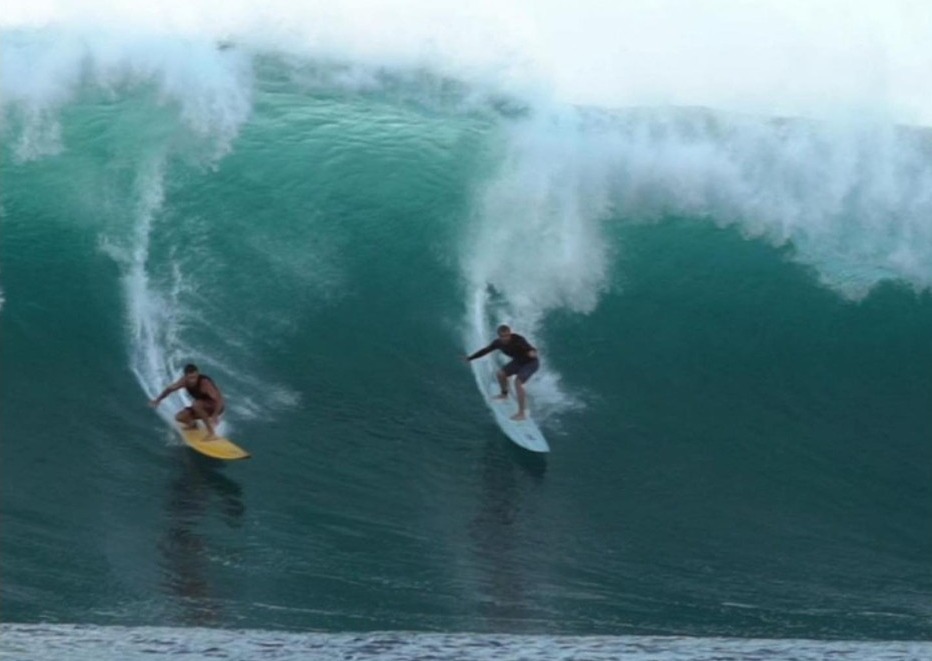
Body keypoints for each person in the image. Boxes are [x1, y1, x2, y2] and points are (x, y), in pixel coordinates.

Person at [465, 324, 539, 421]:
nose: (505, 338)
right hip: (518, 362)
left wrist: (532, 352)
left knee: (518, 382)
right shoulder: (498, 343)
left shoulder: (518, 340)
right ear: (499, 336)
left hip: (530, 363)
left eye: (507, 335)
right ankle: (504, 395)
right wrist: (470, 358)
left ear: (510, 334)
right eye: (502, 336)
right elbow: (485, 351)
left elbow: (531, 348)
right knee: (500, 374)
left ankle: (522, 413)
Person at [150, 364, 225, 439]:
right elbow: (170, 389)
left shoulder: (205, 383)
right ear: (185, 376)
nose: (193, 380)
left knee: (196, 404)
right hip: (201, 407)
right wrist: (157, 400)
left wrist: (215, 415)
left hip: (216, 407)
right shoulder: (184, 382)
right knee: (180, 417)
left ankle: (211, 433)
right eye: (190, 378)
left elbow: (220, 400)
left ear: (198, 374)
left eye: (195, 377)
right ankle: (193, 425)